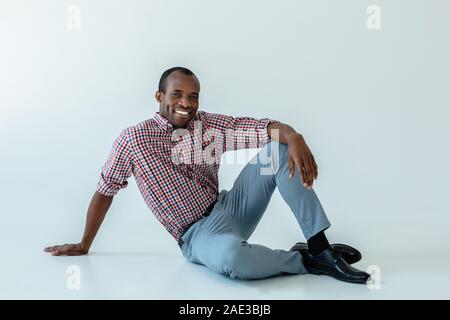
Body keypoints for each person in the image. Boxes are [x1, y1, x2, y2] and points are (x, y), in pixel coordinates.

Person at [45, 67, 370, 284]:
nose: (186, 103)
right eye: (177, 94)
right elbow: (105, 189)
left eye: (193, 96)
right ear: (159, 97)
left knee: (278, 150)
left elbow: (257, 129)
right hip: (197, 236)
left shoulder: (207, 126)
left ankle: (321, 247)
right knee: (234, 259)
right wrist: (84, 243)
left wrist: (294, 135)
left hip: (231, 208)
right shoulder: (134, 140)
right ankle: (302, 259)